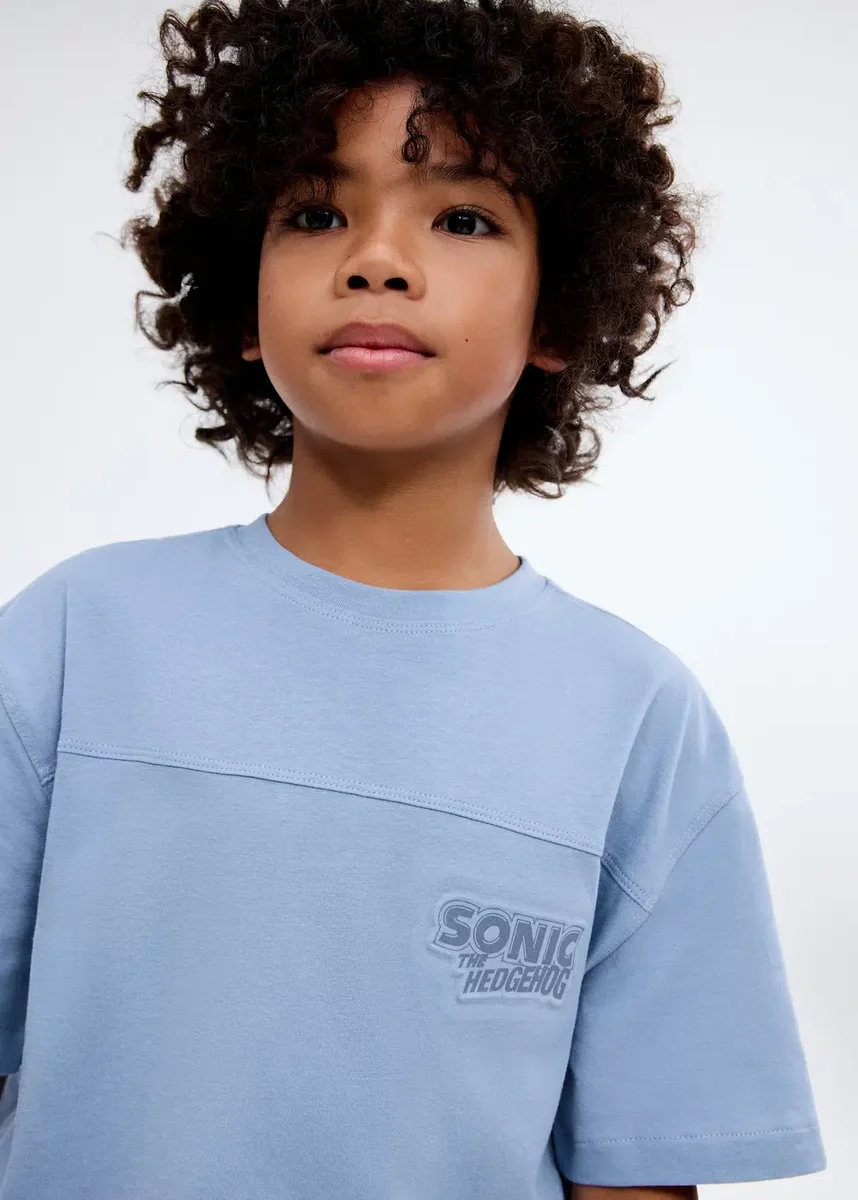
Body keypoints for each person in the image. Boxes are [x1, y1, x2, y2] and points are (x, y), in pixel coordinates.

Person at [0, 0, 826, 1197]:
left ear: (558, 313)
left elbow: (638, 1170)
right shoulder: (76, 639)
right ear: (241, 298)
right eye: (315, 213)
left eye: (463, 217)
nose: (376, 259)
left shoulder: (638, 721)